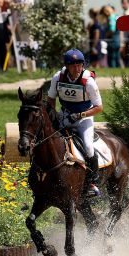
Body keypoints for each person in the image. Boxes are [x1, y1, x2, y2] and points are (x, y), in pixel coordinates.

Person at [47, 49, 104, 197]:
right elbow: (51, 99)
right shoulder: (57, 77)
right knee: (47, 140)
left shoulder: (88, 81)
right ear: (66, 66)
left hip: (84, 119)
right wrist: (53, 114)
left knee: (88, 147)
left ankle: (93, 183)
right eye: (73, 65)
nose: (77, 68)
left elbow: (99, 107)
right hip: (64, 115)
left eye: (80, 64)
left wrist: (80, 115)